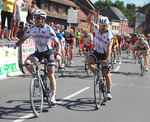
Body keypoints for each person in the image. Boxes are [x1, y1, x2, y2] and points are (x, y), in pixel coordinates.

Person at [14, 9, 61, 104]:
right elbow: (23, 38)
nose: (35, 20)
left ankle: (53, 96)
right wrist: (16, 44)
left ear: (43, 19)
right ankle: (36, 75)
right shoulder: (31, 28)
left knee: (51, 74)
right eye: (34, 18)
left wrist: (58, 54)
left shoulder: (48, 29)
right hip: (37, 52)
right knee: (27, 63)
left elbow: (57, 43)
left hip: (48, 52)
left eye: (38, 18)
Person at [86, 10, 113, 100]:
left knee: (107, 73)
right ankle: (97, 74)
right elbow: (88, 21)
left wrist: (107, 59)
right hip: (97, 51)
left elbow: (109, 48)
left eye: (104, 26)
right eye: (101, 26)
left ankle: (109, 92)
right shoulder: (97, 28)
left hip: (105, 53)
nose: (102, 28)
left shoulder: (109, 35)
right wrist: (90, 14)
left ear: (107, 26)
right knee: (89, 62)